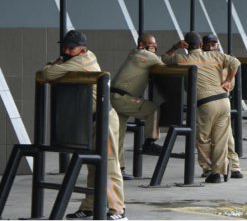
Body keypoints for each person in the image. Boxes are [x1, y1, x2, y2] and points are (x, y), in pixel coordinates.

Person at [43, 30, 126, 220]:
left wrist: (55, 67)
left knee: (109, 165)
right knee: (92, 165)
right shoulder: (77, 58)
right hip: (91, 119)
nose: (67, 50)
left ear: (82, 50)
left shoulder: (80, 61)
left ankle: (118, 210)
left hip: (104, 118)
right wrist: (61, 68)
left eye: (71, 48)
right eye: (65, 46)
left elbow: (48, 73)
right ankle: (90, 206)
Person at [161, 32, 241, 183]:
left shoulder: (182, 59)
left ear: (185, 45)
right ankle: (220, 171)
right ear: (200, 45)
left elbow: (164, 59)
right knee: (221, 138)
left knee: (203, 139)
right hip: (224, 101)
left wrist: (175, 47)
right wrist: (228, 81)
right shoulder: (217, 56)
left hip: (205, 103)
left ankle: (212, 170)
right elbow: (236, 63)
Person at [110, 34, 164, 180]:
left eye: (154, 43)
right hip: (123, 98)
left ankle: (118, 169)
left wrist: (174, 48)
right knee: (153, 109)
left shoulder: (134, 52)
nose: (153, 46)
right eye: (150, 43)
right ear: (142, 44)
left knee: (119, 136)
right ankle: (150, 142)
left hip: (115, 97)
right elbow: (164, 65)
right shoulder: (145, 54)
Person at [199, 34, 243, 179]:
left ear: (217, 45)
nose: (211, 48)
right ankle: (234, 167)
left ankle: (211, 167)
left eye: (213, 45)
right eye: (208, 45)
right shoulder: (225, 62)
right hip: (223, 103)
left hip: (210, 103)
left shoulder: (202, 62)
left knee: (206, 137)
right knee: (226, 136)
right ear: (202, 45)